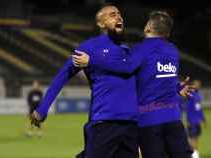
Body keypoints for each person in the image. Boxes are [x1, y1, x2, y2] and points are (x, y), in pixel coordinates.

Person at [74, 11, 193, 158]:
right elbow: (160, 76)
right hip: (173, 119)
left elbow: (125, 67)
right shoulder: (173, 51)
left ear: (148, 26)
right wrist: (177, 87)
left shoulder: (140, 50)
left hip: (149, 121)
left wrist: (92, 61)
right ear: (167, 34)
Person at [31, 4, 139, 158]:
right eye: (112, 14)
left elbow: (143, 77)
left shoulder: (128, 50)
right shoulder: (89, 47)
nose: (119, 16)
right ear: (101, 23)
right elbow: (63, 76)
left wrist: (174, 88)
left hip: (131, 125)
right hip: (104, 122)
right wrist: (43, 108)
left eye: (119, 13)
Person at [185, 79, 206, 158]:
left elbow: (199, 108)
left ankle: (195, 153)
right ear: (192, 85)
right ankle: (193, 154)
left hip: (197, 121)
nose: (198, 86)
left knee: (196, 137)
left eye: (199, 84)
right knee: (192, 138)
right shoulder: (190, 94)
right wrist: (188, 120)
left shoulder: (198, 95)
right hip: (192, 120)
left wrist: (203, 119)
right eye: (196, 84)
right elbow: (188, 108)